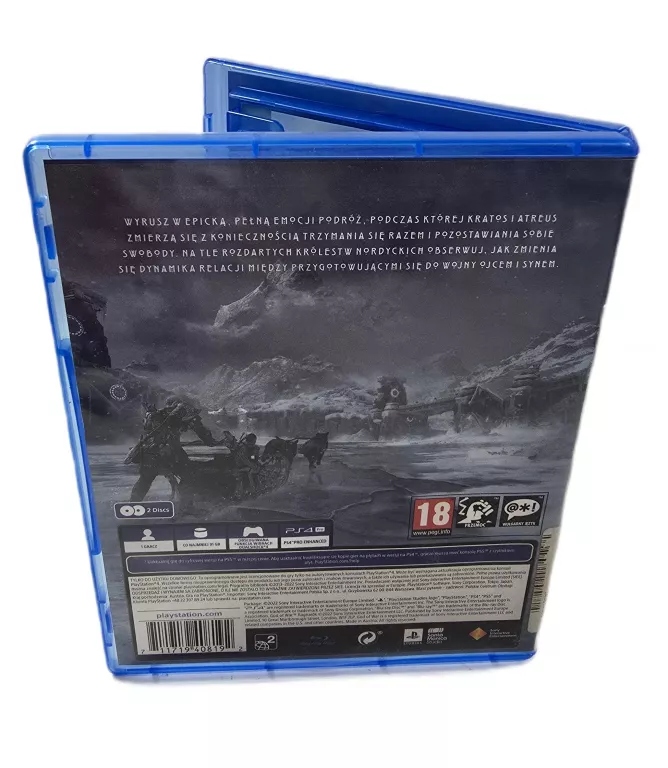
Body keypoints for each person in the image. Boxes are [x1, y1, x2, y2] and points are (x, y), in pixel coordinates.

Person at [125, 396, 217, 501]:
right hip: (168, 454)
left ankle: (133, 503)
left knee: (145, 479)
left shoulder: (156, 414)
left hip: (154, 454)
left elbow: (148, 428)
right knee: (189, 476)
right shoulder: (172, 414)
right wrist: (211, 441)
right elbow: (202, 432)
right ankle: (185, 504)